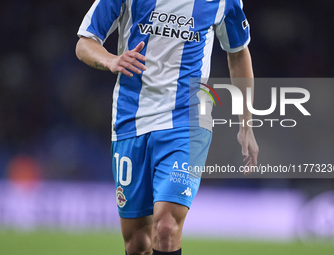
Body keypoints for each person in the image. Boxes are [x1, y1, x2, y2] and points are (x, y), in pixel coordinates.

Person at [76, 0, 259, 254]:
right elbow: (85, 42)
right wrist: (111, 60)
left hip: (187, 120)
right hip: (131, 118)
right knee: (137, 243)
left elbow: (238, 52)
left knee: (166, 226)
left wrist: (246, 123)